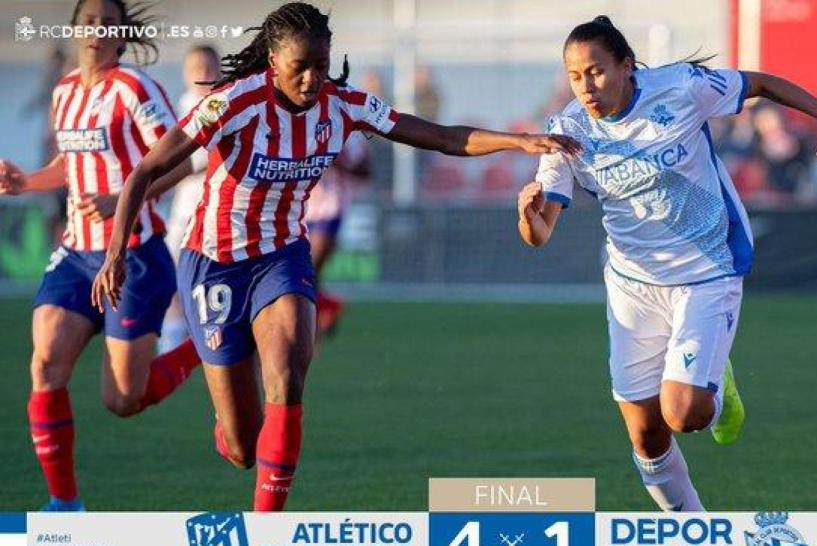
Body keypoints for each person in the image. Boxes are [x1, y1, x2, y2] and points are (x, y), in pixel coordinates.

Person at [91, 2, 579, 512]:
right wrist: (114, 254)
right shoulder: (234, 102)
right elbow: (145, 171)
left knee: (285, 377)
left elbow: (438, 136)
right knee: (241, 449)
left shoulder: (343, 104)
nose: (311, 78)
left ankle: (267, 538)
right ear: (273, 62)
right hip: (214, 260)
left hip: (282, 256)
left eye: (320, 66)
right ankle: (204, 362)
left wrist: (518, 141)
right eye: (299, 67)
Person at [516, 16, 817, 511]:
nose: (586, 86)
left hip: (705, 269)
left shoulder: (679, 87)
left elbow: (758, 83)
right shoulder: (567, 131)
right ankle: (693, 536)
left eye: (597, 71)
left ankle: (719, 393)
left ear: (626, 66)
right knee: (647, 437)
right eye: (575, 76)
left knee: (684, 413)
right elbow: (540, 233)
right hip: (633, 287)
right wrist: (527, 216)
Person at [0, 0, 201, 512]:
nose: (96, 30)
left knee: (122, 400)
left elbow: (184, 158)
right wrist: (27, 181)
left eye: (106, 23)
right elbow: (69, 165)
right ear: (75, 30)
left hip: (134, 255)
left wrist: (127, 199)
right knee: (45, 361)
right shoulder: (65, 90)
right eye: (87, 21)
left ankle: (204, 346)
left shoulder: (135, 90)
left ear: (120, 36)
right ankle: (65, 504)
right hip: (75, 254)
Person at [159, 44, 222, 353]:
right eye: (196, 68)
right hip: (185, 211)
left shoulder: (227, 106)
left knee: (211, 287)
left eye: (209, 67)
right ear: (186, 74)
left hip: (219, 214)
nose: (203, 74)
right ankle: (172, 346)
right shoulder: (179, 109)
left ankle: (213, 346)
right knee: (171, 278)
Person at [304, 138, 369, 335]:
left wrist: (337, 163)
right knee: (300, 271)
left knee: (310, 270)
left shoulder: (351, 136)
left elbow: (366, 171)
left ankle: (313, 318)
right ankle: (326, 306)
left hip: (331, 209)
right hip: (301, 207)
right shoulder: (297, 125)